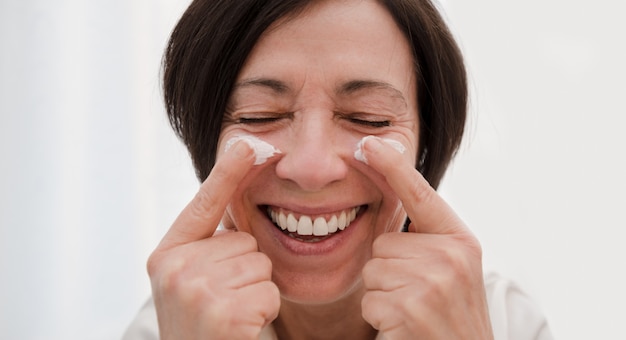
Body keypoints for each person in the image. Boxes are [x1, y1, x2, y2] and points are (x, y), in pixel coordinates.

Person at [124, 0, 553, 339]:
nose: (312, 167)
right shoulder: (165, 330)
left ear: (425, 146)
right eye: (258, 116)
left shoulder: (505, 323)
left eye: (369, 118)